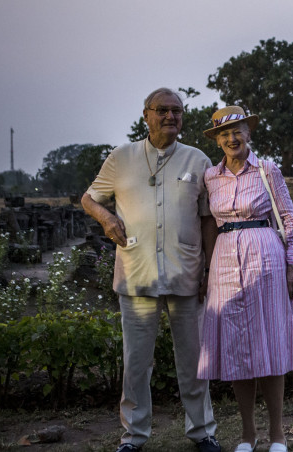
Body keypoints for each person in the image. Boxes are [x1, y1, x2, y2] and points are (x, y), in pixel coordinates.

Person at [82, 88, 221, 452]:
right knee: (136, 364)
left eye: (177, 111)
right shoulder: (121, 157)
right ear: (146, 115)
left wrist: (207, 269)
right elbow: (88, 198)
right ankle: (134, 437)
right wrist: (107, 218)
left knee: (193, 362)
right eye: (162, 110)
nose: (170, 116)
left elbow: (207, 219)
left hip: (185, 274)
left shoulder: (197, 160)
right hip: (137, 274)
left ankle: (202, 431)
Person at [197, 106, 293, 452]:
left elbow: (290, 219)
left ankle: (277, 434)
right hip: (225, 261)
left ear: (249, 134)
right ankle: (247, 434)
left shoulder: (266, 170)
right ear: (217, 140)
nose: (232, 138)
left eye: (237, 131)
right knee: (235, 349)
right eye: (224, 134)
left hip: (265, 256)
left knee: (270, 345)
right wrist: (206, 271)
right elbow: (211, 225)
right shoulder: (211, 177)